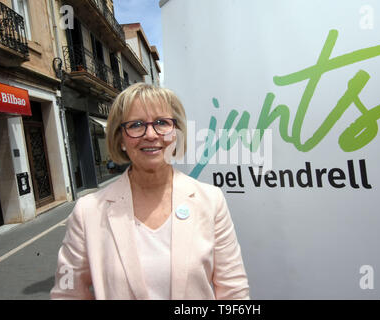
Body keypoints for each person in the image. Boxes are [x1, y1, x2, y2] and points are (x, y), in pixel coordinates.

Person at [50, 83, 250, 300]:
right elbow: (67, 292)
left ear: (176, 133)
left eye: (162, 123)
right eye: (136, 125)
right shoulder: (88, 211)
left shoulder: (211, 200)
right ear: (121, 139)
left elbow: (233, 289)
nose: (151, 134)